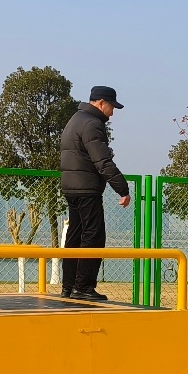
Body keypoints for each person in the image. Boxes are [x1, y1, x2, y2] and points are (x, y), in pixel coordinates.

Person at [57, 86, 132, 301]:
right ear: (100, 103)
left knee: (74, 236)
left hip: (70, 187)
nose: (112, 112)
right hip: (87, 188)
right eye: (111, 107)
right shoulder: (92, 124)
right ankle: (83, 287)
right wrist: (123, 189)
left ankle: (69, 286)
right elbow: (103, 161)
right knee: (94, 235)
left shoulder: (75, 119)